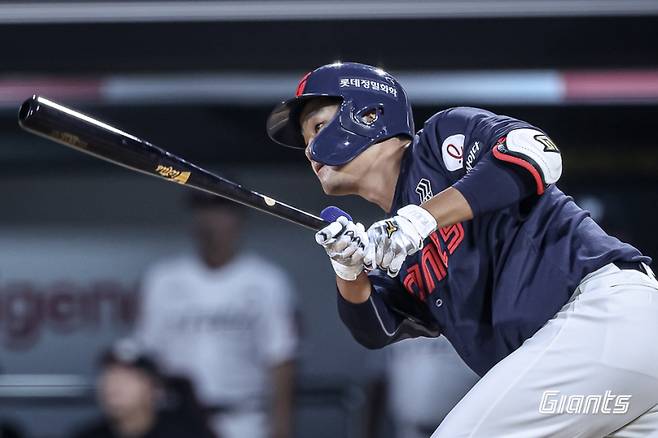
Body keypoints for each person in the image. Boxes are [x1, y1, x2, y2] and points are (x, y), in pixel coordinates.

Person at [266, 62, 658, 437]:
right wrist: (348, 268)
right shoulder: (395, 247)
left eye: (318, 127)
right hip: (610, 379)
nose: (310, 150)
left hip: (605, 317)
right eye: (307, 140)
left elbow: (537, 153)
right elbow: (376, 328)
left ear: (370, 114)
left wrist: (418, 220)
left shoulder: (438, 144)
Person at [135, 193, 298, 438]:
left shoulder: (267, 280)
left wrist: (282, 427)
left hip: (244, 417)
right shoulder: (163, 279)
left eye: (219, 208)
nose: (209, 219)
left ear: (239, 216)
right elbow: (147, 355)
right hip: (177, 417)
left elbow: (281, 358)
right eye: (202, 208)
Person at [74, 340, 214, 438]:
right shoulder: (87, 435)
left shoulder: (186, 434)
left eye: (127, 377)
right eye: (109, 375)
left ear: (154, 388)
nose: (114, 385)